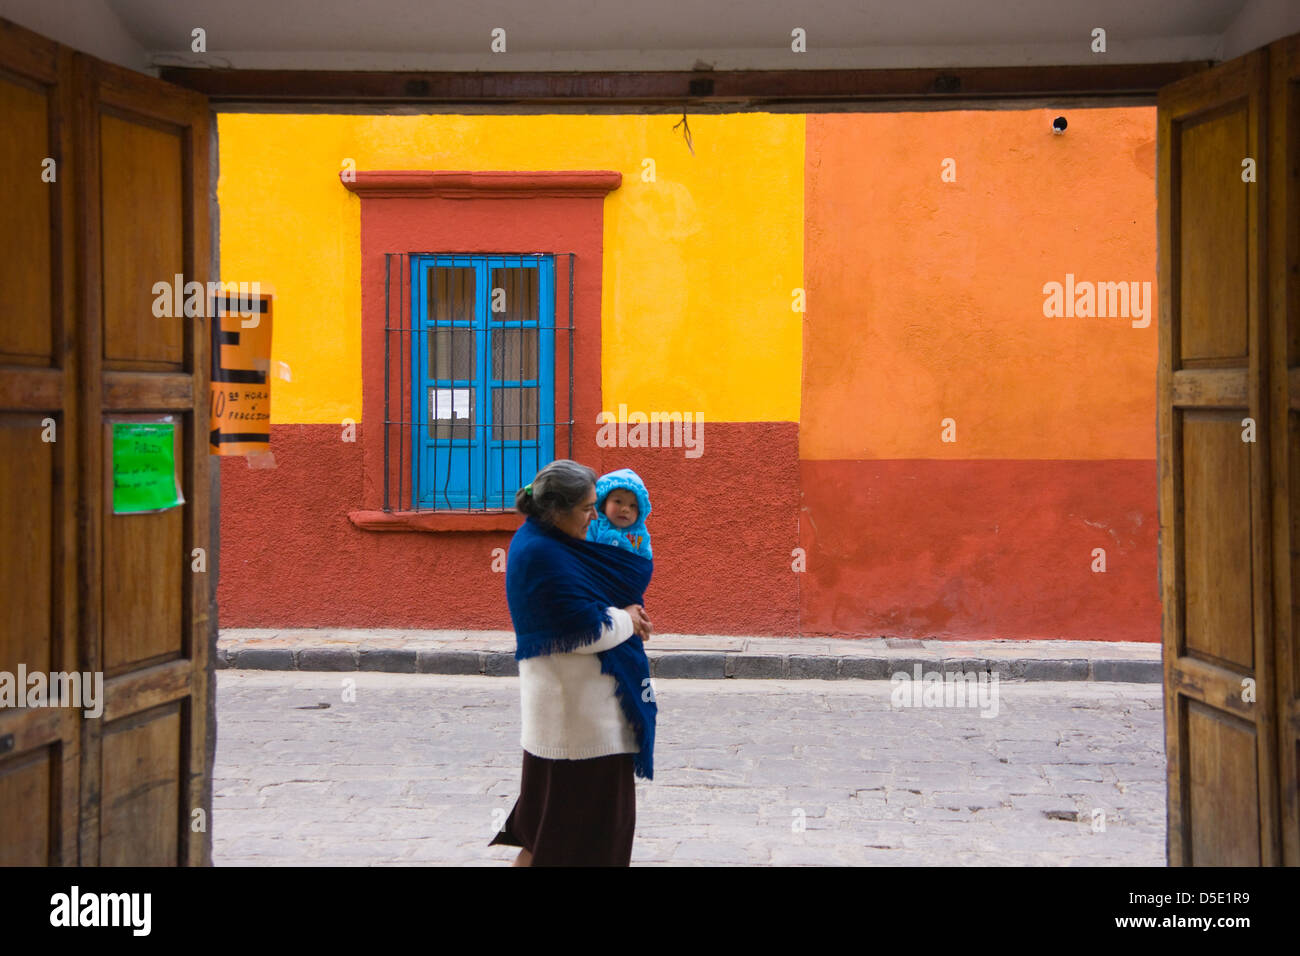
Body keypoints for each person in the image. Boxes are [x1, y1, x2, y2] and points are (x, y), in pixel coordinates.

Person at [488, 459, 656, 866]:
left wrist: (623, 613)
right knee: (579, 844)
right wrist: (628, 619)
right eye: (586, 508)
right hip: (580, 732)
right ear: (556, 510)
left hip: (567, 724)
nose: (594, 516)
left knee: (545, 836)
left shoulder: (546, 543)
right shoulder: (544, 554)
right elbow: (582, 629)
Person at [585, 467, 653, 558]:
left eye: (632, 505)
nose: (625, 509)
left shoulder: (639, 534)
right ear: (603, 503)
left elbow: (644, 561)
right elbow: (583, 550)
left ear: (640, 511)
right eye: (618, 501)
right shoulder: (594, 524)